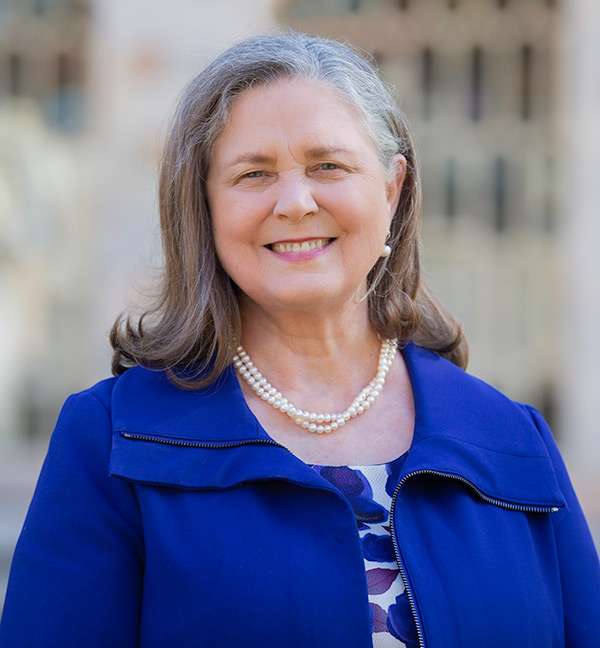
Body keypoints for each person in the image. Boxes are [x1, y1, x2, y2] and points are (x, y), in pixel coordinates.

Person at [1, 31, 599, 648]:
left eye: (328, 166)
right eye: (254, 173)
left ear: (391, 190)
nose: (295, 201)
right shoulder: (109, 440)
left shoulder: (512, 440)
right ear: (204, 208)